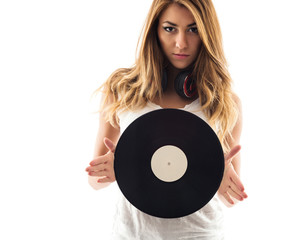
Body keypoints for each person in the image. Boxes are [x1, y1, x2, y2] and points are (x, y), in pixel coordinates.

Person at [85, 0, 247, 239]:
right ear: (155, 30)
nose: (181, 43)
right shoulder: (121, 90)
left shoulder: (225, 101)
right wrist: (113, 169)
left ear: (207, 33)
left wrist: (220, 180)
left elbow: (229, 199)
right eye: (170, 28)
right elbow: (94, 182)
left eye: (193, 29)